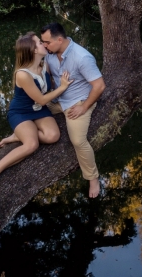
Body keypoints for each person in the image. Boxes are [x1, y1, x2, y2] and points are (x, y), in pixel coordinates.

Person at [0, 32, 72, 193]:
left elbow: (47, 89)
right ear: (34, 50)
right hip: (21, 112)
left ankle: (19, 135)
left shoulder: (45, 65)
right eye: (39, 43)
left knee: (53, 136)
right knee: (31, 144)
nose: (44, 44)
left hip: (39, 111)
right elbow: (42, 100)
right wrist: (63, 87)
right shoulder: (22, 74)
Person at [40, 22, 106, 198]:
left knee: (77, 141)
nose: (44, 46)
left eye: (47, 42)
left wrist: (84, 107)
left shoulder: (82, 57)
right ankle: (19, 135)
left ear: (59, 39)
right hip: (58, 99)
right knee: (32, 106)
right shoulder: (50, 54)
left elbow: (99, 86)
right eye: (42, 42)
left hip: (78, 101)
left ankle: (92, 178)